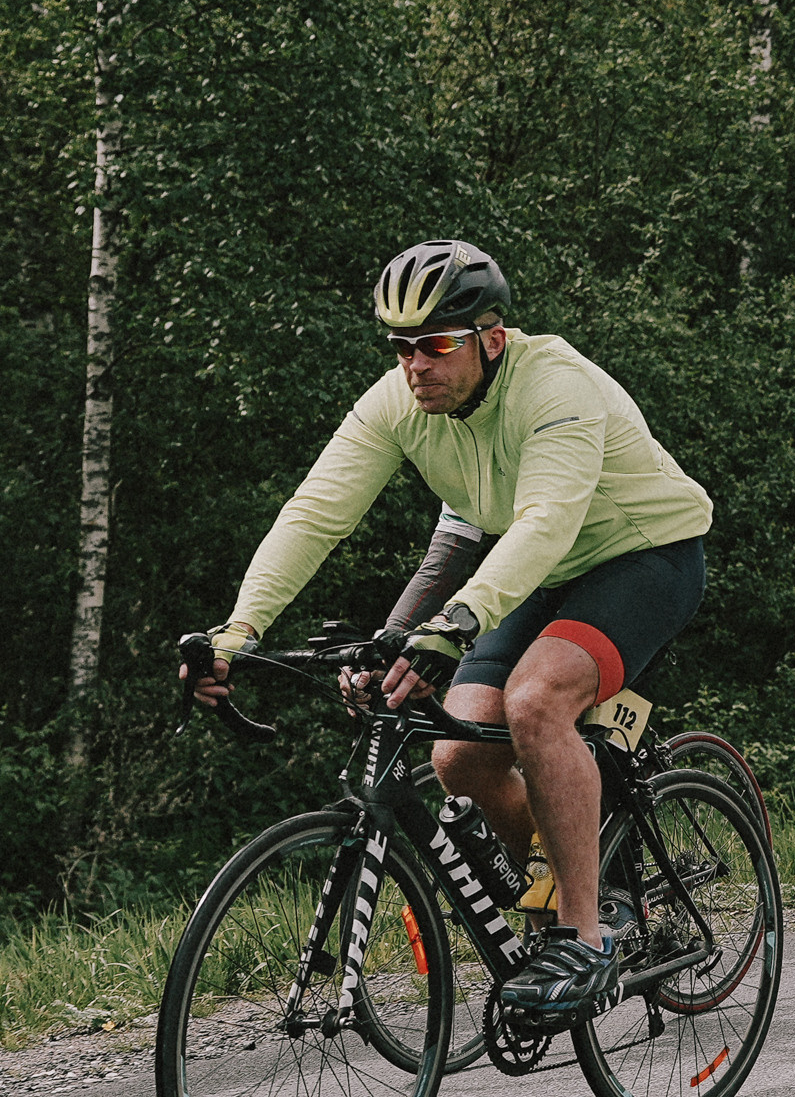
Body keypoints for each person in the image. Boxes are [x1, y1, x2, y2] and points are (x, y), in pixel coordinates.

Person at [184, 241, 714, 1018]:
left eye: (435, 345)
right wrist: (239, 628)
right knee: (459, 748)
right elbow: (314, 515)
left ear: (490, 340)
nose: (415, 366)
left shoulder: (555, 386)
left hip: (645, 556)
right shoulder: (398, 405)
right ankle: (573, 870)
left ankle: (586, 928)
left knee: (536, 702)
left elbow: (545, 520)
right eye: (401, 347)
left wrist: (456, 623)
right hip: (538, 570)